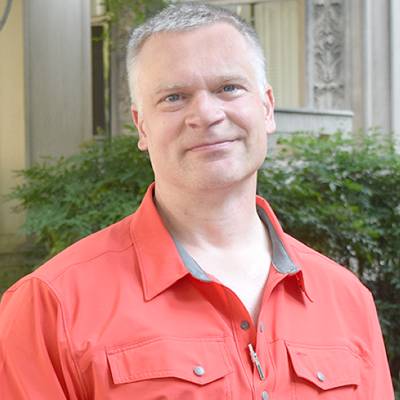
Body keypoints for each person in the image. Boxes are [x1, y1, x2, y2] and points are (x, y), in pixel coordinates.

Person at [0, 3, 394, 399]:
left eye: (228, 88)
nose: (206, 114)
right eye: (174, 97)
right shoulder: (51, 305)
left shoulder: (346, 298)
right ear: (141, 126)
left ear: (267, 107)